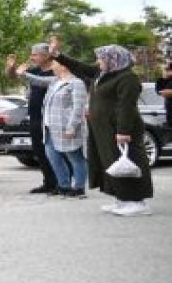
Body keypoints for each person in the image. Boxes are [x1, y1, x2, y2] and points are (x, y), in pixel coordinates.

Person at [51, 41, 153, 216]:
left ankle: (137, 202)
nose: (98, 61)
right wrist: (58, 56)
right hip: (104, 129)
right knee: (111, 162)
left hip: (120, 129)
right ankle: (121, 199)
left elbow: (126, 106)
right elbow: (80, 67)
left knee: (129, 162)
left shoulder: (127, 78)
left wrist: (123, 131)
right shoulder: (103, 74)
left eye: (101, 58)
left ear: (114, 59)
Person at [15, 60, 89, 198]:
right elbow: (37, 80)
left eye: (54, 64)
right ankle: (64, 186)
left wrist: (72, 127)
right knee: (53, 158)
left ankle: (79, 188)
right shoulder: (55, 81)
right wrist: (22, 74)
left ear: (63, 66)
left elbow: (78, 108)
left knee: (75, 157)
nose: (51, 67)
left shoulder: (76, 83)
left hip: (66, 127)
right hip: (50, 127)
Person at [6, 44, 60, 194]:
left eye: (35, 54)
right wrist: (12, 68)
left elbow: (39, 81)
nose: (32, 57)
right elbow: (13, 77)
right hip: (35, 115)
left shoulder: (57, 70)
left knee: (53, 151)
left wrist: (23, 74)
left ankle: (61, 183)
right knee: (39, 151)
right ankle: (48, 182)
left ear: (46, 55)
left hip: (51, 116)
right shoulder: (34, 70)